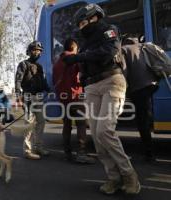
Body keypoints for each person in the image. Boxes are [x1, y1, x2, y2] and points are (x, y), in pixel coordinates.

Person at [63, 3, 140, 195]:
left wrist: (79, 57)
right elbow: (86, 62)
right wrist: (79, 68)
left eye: (83, 23)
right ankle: (113, 178)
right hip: (91, 87)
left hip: (111, 81)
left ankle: (129, 174)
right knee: (97, 136)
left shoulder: (109, 30)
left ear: (93, 17)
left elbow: (109, 51)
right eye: (79, 25)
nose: (81, 27)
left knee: (105, 130)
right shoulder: (85, 42)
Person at [53, 37, 95, 164]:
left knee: (67, 125)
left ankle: (67, 153)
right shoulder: (76, 60)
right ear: (73, 47)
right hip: (76, 97)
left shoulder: (56, 63)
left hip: (63, 99)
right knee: (81, 124)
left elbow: (55, 81)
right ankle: (81, 153)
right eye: (76, 48)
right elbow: (83, 76)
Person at [122, 37, 159, 162]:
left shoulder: (124, 50)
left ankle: (149, 153)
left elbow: (124, 72)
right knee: (145, 114)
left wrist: (124, 88)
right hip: (152, 85)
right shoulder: (143, 47)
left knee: (141, 120)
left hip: (139, 88)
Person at [15, 41, 50, 160]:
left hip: (39, 97)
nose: (37, 52)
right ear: (29, 51)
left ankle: (37, 147)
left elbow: (44, 82)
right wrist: (18, 96)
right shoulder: (23, 64)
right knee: (29, 124)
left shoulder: (39, 67)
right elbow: (18, 81)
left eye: (39, 50)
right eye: (35, 50)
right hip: (28, 97)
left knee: (41, 122)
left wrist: (48, 89)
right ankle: (27, 150)